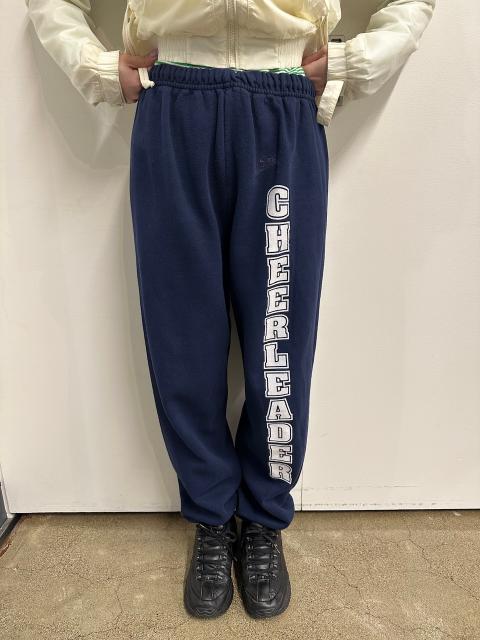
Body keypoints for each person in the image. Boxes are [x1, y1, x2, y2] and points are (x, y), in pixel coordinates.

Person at [24, 0, 436, 620]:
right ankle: (212, 515)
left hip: (284, 99)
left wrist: (356, 61)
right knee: (182, 337)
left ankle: (264, 516)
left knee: (279, 339)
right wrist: (97, 69)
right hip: (173, 98)